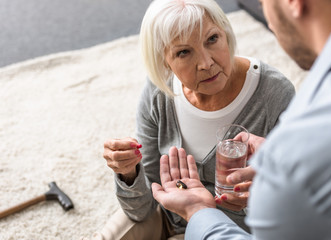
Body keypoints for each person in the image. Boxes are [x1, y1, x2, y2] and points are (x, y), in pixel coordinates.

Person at [151, 0, 331, 239]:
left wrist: (197, 211)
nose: (268, 21)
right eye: (183, 52)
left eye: (262, 3)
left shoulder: (295, 158)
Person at [95, 0, 295, 239]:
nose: (206, 63)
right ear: (164, 62)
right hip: (170, 218)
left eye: (212, 39)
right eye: (183, 52)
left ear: (226, 32)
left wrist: (259, 196)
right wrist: (128, 174)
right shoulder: (160, 91)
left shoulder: (274, 94)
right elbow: (141, 209)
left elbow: (299, 205)